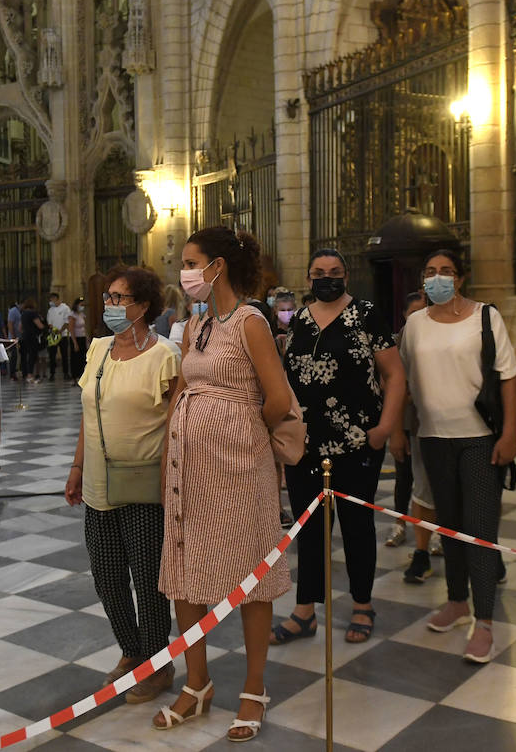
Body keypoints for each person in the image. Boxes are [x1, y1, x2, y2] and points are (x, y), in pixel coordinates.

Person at [154, 226, 293, 742]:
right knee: (186, 566)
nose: (185, 273)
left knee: (250, 575)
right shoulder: (197, 326)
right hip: (189, 472)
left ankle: (254, 688)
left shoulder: (250, 321)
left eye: (192, 262)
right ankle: (196, 684)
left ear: (219, 267)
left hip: (238, 470)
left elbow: (277, 398)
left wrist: (238, 434)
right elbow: (182, 391)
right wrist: (173, 447)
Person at [273, 250, 405, 646]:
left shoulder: (366, 314)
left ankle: (362, 604)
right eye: (318, 273)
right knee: (308, 528)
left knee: (356, 526)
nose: (326, 278)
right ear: (308, 277)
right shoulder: (298, 319)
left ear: (346, 275)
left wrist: (384, 428)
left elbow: (394, 373)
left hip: (356, 441)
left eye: (334, 272)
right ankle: (304, 610)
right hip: (306, 444)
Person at [64, 266, 180, 704]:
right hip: (97, 482)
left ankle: (158, 662)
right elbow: (87, 413)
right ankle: (132, 652)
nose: (111, 306)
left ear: (143, 306)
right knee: (108, 577)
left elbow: (174, 426)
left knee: (148, 578)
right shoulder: (98, 349)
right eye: (108, 298)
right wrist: (76, 467)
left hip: (143, 485)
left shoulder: (164, 355)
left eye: (119, 298)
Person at [400, 248, 516, 665]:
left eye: (446, 272)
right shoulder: (414, 325)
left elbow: (508, 376)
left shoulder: (485, 316)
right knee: (448, 527)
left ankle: (484, 621)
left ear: (461, 279)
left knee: (480, 530)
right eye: (431, 272)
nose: (438, 278)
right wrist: (399, 429)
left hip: (479, 439)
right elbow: (402, 380)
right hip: (433, 438)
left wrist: (509, 434)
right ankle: (457, 601)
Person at [389, 291, 445, 582]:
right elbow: (396, 383)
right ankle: (420, 550)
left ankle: (472, 548)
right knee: (418, 484)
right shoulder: (406, 339)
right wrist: (395, 430)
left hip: (457, 424)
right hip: (421, 424)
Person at [46, 292, 73, 380]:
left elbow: (67, 321)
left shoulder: (65, 308)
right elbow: (49, 323)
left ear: (56, 299)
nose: (51, 301)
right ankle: (52, 374)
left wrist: (60, 331)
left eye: (52, 299)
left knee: (64, 354)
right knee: (52, 355)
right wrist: (54, 330)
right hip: (53, 335)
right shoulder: (50, 310)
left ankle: (66, 373)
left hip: (63, 335)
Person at [17, 298, 45, 383]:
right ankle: (30, 375)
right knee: (33, 356)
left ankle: (25, 374)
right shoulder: (33, 313)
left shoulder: (23, 313)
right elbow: (39, 325)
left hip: (24, 337)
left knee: (25, 357)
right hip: (32, 337)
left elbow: (20, 328)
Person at [70, 296, 89, 380]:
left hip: (82, 337)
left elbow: (84, 327)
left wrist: (87, 337)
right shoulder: (72, 315)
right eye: (81, 305)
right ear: (77, 305)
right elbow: (71, 329)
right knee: (76, 358)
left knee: (83, 357)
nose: (82, 307)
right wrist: (75, 343)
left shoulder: (81, 314)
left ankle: (82, 375)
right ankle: (75, 376)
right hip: (76, 338)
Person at [6, 300, 23, 380]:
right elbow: (10, 323)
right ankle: (12, 373)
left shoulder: (20, 311)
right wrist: (13, 337)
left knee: (19, 356)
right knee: (14, 356)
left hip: (19, 337)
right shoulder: (13, 311)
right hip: (14, 338)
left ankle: (19, 371)